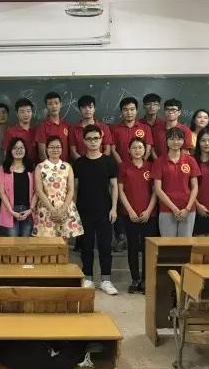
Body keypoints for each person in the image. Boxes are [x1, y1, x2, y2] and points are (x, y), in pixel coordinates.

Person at [74, 125, 119, 295]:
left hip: (104, 210)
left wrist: (114, 208)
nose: (93, 142)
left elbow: (114, 186)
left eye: (96, 138)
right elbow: (75, 189)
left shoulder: (109, 161)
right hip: (84, 211)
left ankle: (106, 280)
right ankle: (88, 278)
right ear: (84, 141)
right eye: (89, 139)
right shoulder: (79, 163)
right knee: (86, 246)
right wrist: (74, 211)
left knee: (105, 246)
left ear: (101, 140)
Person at [118, 137, 158, 294]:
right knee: (133, 247)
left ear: (145, 149)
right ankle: (135, 279)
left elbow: (155, 191)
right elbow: (120, 191)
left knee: (148, 248)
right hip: (130, 215)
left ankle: (146, 280)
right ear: (129, 150)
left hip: (149, 214)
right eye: (134, 147)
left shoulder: (151, 166)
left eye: (140, 147)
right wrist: (130, 211)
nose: (137, 150)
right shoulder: (123, 167)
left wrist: (148, 211)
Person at [153, 127, 201, 237]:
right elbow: (158, 189)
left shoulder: (190, 160)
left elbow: (195, 187)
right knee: (168, 244)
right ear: (166, 141)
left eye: (179, 139)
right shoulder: (159, 162)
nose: (175, 142)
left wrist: (187, 208)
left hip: (188, 209)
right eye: (172, 139)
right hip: (167, 209)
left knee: (185, 244)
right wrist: (174, 208)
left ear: (183, 141)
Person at [33, 136, 83, 240]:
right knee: (48, 243)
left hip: (64, 207)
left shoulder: (67, 167)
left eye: (58, 147)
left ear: (62, 149)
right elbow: (39, 190)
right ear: (46, 149)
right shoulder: (40, 167)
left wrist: (63, 210)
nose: (55, 149)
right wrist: (52, 210)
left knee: (63, 243)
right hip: (46, 208)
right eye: (51, 147)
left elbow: (71, 190)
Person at [0, 138, 37, 237]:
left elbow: (37, 191)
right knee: (12, 242)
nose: (19, 150)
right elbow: (1, 192)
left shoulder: (31, 167)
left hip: (27, 211)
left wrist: (30, 210)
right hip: (10, 210)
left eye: (21, 147)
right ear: (10, 151)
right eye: (15, 148)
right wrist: (11, 211)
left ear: (25, 150)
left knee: (25, 242)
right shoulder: (4, 168)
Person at [111, 97, 153, 164]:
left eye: (132, 109)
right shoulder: (115, 129)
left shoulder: (146, 128)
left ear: (137, 111)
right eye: (125, 110)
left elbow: (148, 149)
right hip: (121, 166)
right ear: (121, 112)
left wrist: (141, 163)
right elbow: (113, 150)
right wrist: (121, 165)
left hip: (141, 167)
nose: (129, 112)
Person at [69, 95, 112, 160]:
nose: (87, 109)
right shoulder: (73, 129)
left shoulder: (104, 127)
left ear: (94, 109)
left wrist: (99, 162)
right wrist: (83, 163)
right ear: (79, 109)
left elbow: (107, 150)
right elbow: (73, 151)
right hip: (81, 164)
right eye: (84, 107)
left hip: (100, 163)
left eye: (90, 107)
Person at [35, 92, 70, 162]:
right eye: (50, 104)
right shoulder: (43, 126)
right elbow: (42, 153)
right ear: (46, 106)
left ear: (61, 104)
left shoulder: (66, 125)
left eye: (56, 103)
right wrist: (50, 166)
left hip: (64, 166)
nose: (54, 106)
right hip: (50, 166)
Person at [3, 98, 37, 163]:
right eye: (22, 112)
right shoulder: (10, 132)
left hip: (36, 167)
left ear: (32, 112)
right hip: (18, 167)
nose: (26, 114)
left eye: (28, 111)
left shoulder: (36, 131)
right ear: (17, 114)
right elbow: (6, 154)